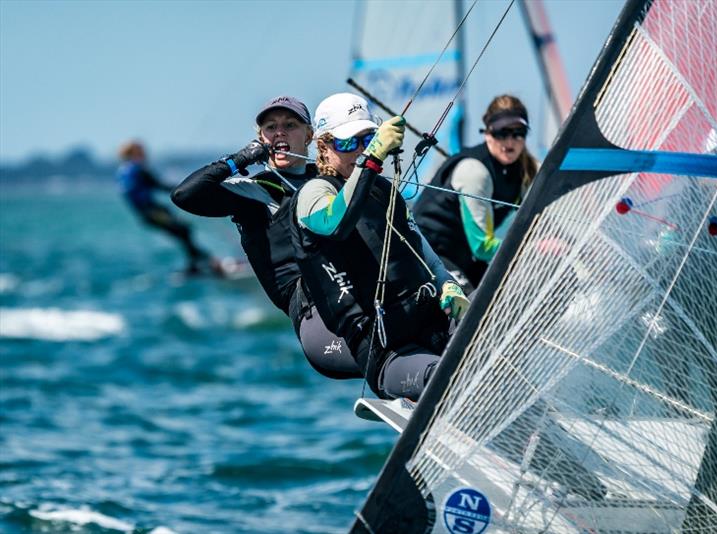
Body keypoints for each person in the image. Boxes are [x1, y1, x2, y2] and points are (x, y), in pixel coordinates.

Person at [291, 93, 470, 401]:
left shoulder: (384, 191)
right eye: (348, 143)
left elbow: (427, 257)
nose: (359, 151)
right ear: (323, 146)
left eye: (368, 139)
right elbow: (336, 222)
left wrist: (449, 287)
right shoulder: (313, 193)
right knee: (445, 378)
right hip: (386, 351)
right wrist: (372, 159)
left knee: (497, 342)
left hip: (430, 322)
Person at [171, 96, 360, 379]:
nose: (279, 132)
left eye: (290, 125)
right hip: (317, 316)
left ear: (310, 135)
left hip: (358, 296)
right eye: (270, 127)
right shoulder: (254, 192)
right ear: (261, 138)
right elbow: (184, 195)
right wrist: (241, 159)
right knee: (386, 355)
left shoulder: (328, 181)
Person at [413, 95, 539, 293]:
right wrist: (534, 248)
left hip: (464, 257)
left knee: (513, 293)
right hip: (428, 254)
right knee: (471, 305)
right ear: (488, 133)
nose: (510, 141)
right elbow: (482, 247)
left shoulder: (525, 172)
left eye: (518, 133)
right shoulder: (474, 171)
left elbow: (546, 216)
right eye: (502, 132)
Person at [116, 140, 214, 274]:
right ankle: (197, 264)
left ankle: (200, 260)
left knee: (182, 231)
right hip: (151, 212)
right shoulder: (138, 170)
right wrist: (188, 188)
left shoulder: (123, 170)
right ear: (134, 152)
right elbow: (159, 185)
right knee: (183, 230)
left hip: (147, 213)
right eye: (141, 150)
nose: (145, 153)